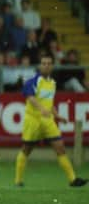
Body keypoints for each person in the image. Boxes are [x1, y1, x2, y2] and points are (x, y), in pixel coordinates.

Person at [14, 53, 87, 187]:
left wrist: (58, 115)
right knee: (26, 149)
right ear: (40, 66)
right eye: (44, 63)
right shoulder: (33, 81)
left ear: (52, 66)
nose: (46, 66)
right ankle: (18, 180)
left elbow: (49, 103)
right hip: (33, 121)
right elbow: (30, 98)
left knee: (60, 147)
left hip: (48, 121)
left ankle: (73, 179)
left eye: (49, 63)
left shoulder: (52, 83)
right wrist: (41, 108)